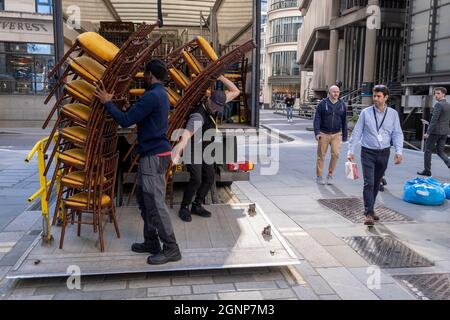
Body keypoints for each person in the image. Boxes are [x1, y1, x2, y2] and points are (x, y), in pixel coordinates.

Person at [94, 59, 181, 265]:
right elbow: (141, 116)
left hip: (154, 157)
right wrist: (127, 108)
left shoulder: (152, 95)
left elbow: (125, 121)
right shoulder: (159, 94)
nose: (143, 78)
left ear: (150, 74)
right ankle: (151, 242)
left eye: (144, 75)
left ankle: (171, 249)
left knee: (156, 205)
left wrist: (107, 101)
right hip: (151, 156)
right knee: (144, 201)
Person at [172, 75, 240, 222]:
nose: (216, 110)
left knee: (209, 177)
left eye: (219, 108)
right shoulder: (198, 116)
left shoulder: (218, 99)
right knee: (196, 179)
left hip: (205, 148)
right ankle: (184, 207)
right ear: (209, 100)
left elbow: (235, 91)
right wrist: (177, 153)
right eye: (215, 107)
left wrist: (220, 77)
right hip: (192, 148)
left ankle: (197, 205)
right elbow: (186, 136)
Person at [347, 85, 404, 226]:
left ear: (386, 97)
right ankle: (369, 212)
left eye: (379, 96)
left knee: (377, 183)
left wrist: (399, 151)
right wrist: (350, 150)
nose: (376, 99)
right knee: (369, 182)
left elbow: (397, 133)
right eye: (374, 96)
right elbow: (357, 132)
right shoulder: (366, 113)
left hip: (384, 152)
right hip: (368, 152)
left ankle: (370, 209)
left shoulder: (393, 114)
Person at [313, 85, 348, 185]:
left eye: (337, 92)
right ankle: (319, 176)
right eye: (334, 92)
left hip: (336, 134)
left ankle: (330, 174)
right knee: (321, 156)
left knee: (336, 154)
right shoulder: (322, 104)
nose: (336, 93)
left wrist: (345, 136)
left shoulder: (342, 105)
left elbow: (344, 121)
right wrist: (317, 132)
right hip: (323, 133)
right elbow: (317, 119)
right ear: (329, 93)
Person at [417, 87, 450, 177]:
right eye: (435, 93)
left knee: (427, 150)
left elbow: (434, 120)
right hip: (444, 132)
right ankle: (449, 163)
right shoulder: (448, 105)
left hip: (435, 132)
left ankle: (427, 170)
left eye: (438, 93)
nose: (436, 95)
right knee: (440, 151)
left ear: (443, 94)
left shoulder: (438, 105)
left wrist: (428, 132)